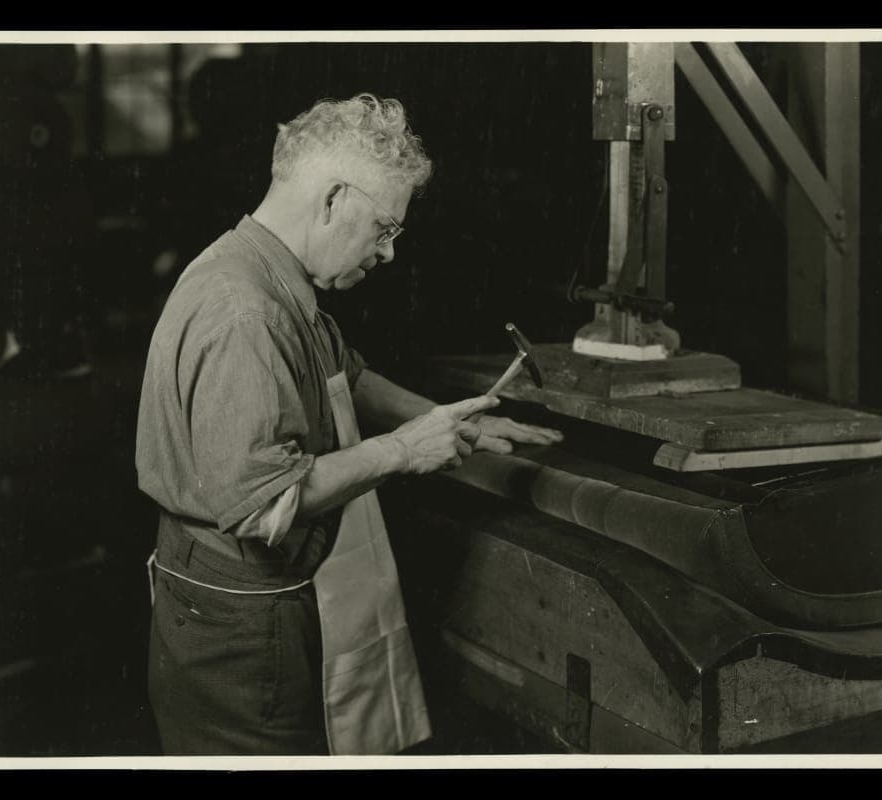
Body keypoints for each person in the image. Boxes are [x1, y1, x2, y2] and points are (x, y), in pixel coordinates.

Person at [135, 92, 563, 756]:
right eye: (384, 228)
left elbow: (345, 373)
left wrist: (437, 417)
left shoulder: (272, 272)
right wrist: (401, 450)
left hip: (246, 597)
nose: (388, 253)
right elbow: (265, 504)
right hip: (239, 619)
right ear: (332, 200)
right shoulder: (244, 310)